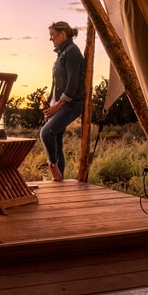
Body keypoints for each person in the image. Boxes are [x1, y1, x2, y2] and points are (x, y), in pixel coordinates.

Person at [41, 20, 86, 181]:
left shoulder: (72, 52)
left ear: (62, 34)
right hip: (59, 104)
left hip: (71, 104)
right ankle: (59, 180)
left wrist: (57, 106)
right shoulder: (63, 53)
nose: (51, 39)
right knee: (56, 140)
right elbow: (56, 85)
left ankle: (53, 166)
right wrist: (50, 105)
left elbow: (72, 85)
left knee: (46, 133)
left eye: (53, 35)